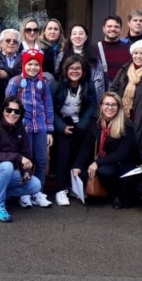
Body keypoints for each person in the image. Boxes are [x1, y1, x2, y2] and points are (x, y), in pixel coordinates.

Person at [0, 98, 42, 222]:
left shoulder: (21, 129)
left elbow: (26, 155)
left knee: (35, 184)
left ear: (20, 114)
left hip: (5, 172)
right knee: (6, 166)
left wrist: (25, 172)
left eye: (16, 111)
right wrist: (18, 157)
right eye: (9, 110)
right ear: (2, 111)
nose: (12, 114)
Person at [5, 49, 54, 208]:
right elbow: (8, 105)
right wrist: (15, 125)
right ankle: (24, 191)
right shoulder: (16, 81)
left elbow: (48, 106)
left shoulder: (44, 83)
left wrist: (49, 129)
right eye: (30, 64)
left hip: (40, 126)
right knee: (27, 160)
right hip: (23, 128)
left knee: (41, 159)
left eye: (36, 65)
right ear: (24, 64)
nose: (33, 68)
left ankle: (37, 191)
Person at [72, 92, 137, 209]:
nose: (110, 108)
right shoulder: (95, 122)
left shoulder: (126, 125)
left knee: (104, 171)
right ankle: (104, 194)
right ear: (101, 106)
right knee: (81, 174)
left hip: (121, 164)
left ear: (119, 107)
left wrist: (97, 163)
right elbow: (86, 146)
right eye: (106, 104)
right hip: (102, 161)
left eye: (114, 105)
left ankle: (117, 195)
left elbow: (122, 154)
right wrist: (78, 165)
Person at [50, 55, 98, 206]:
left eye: (78, 68)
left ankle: (76, 186)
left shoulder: (88, 85)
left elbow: (92, 105)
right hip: (60, 122)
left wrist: (82, 124)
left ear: (83, 71)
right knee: (63, 152)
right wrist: (61, 127)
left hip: (79, 122)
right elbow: (49, 108)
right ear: (66, 69)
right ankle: (60, 189)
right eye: (72, 68)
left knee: (80, 152)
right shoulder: (56, 84)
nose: (75, 71)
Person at [61, 24, 106, 99]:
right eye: (74, 33)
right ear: (70, 37)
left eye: (81, 33)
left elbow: (99, 81)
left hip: (89, 99)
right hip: (66, 99)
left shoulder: (94, 56)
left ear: (86, 37)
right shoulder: (62, 55)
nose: (77, 36)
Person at [96, 15, 130, 83]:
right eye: (109, 26)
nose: (113, 29)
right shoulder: (95, 49)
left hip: (122, 90)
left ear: (120, 30)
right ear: (103, 29)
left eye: (116, 27)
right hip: (101, 92)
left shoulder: (129, 49)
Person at [0, 29, 23, 102]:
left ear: (18, 45)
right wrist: (15, 73)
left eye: (15, 41)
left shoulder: (24, 59)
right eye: (8, 40)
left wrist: (8, 74)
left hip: (20, 99)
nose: (11, 43)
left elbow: (26, 75)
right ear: (1, 43)